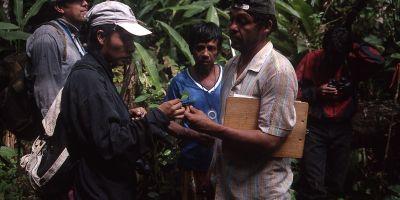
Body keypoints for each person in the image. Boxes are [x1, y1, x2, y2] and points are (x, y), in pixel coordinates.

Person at [59, 1, 185, 199]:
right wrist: (158, 116)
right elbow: (111, 144)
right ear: (101, 37)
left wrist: (127, 118)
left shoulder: (98, 73)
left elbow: (99, 130)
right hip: (99, 191)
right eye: (125, 38)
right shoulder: (88, 79)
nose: (131, 47)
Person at [183, 0, 298, 199]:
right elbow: (227, 130)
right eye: (232, 20)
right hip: (228, 190)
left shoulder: (277, 71)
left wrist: (209, 127)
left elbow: (271, 139)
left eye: (243, 21)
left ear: (266, 26)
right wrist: (213, 176)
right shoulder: (230, 67)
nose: (233, 27)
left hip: (261, 193)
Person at [295, 27, 384, 200]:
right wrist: (317, 92)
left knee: (335, 184)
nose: (334, 60)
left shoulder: (353, 60)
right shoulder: (311, 59)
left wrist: (353, 45)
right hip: (315, 126)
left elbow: (378, 60)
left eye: (338, 57)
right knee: (313, 184)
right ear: (324, 49)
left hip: (342, 128)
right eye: (331, 55)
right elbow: (293, 91)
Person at [165, 22, 223, 200]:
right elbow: (166, 122)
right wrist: (195, 136)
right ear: (191, 49)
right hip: (192, 163)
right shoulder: (180, 82)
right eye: (200, 48)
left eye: (211, 48)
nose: (205, 54)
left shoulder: (228, 76)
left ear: (218, 50)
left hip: (226, 165)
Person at [25, 0, 88, 118]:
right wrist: (57, 130)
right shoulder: (47, 35)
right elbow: (46, 90)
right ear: (60, 7)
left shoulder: (72, 35)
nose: (85, 3)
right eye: (78, 1)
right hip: (62, 126)